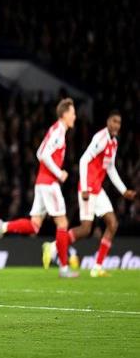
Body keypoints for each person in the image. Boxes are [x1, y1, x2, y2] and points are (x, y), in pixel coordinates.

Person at [0, 98, 78, 278]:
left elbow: (39, 152)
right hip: (49, 183)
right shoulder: (59, 131)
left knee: (35, 225)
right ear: (64, 114)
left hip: (41, 183)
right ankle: (63, 268)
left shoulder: (56, 129)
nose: (75, 116)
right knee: (62, 223)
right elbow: (43, 154)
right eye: (73, 113)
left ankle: (4, 226)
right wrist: (59, 173)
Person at [45, 110, 137, 277]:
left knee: (112, 224)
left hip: (97, 189)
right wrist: (86, 187)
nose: (116, 125)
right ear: (108, 121)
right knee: (86, 229)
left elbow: (110, 168)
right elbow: (84, 160)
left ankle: (97, 267)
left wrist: (123, 190)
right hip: (88, 188)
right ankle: (54, 246)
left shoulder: (114, 143)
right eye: (114, 121)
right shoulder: (100, 138)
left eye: (119, 122)